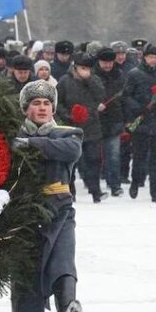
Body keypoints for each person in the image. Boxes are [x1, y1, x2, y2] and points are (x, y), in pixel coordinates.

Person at [12, 80, 83, 312]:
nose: (42, 108)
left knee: (62, 261)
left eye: (46, 104)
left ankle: (68, 310)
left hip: (60, 210)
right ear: (25, 109)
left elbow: (68, 151)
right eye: (35, 103)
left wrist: (32, 144)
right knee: (24, 283)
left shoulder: (68, 133)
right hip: (23, 215)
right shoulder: (13, 137)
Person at [122, 44, 156, 203]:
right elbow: (126, 96)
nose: (154, 60)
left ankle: (155, 191)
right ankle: (135, 181)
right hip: (141, 122)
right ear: (144, 57)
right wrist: (137, 109)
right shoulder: (134, 74)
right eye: (151, 57)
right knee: (139, 156)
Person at [57, 52, 108, 203]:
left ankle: (95, 191)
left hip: (92, 127)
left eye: (88, 68)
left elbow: (101, 95)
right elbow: (58, 102)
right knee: (71, 161)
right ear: (75, 68)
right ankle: (70, 191)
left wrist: (90, 79)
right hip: (71, 127)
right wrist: (68, 115)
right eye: (83, 68)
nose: (86, 71)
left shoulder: (94, 80)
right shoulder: (65, 81)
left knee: (94, 160)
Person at [94, 48, 126, 197]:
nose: (107, 65)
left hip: (114, 119)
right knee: (94, 156)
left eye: (110, 62)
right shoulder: (92, 76)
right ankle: (94, 185)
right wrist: (95, 106)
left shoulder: (119, 75)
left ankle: (115, 185)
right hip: (95, 121)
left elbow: (124, 97)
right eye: (104, 62)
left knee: (113, 155)